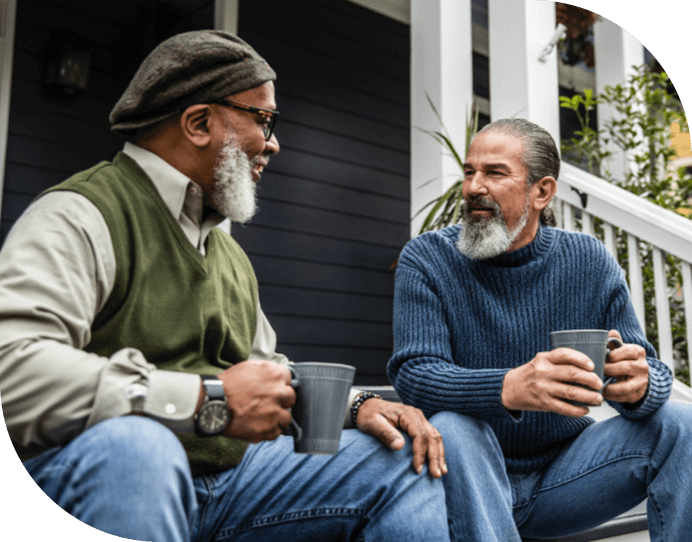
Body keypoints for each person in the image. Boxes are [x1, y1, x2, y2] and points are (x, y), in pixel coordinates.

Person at [0, 30, 453, 542]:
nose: (274, 143)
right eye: (264, 120)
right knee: (139, 448)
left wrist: (358, 406)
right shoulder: (80, 215)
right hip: (102, 477)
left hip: (229, 482)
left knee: (398, 460)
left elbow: (268, 380)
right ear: (198, 123)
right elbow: (13, 369)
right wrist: (204, 399)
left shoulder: (229, 254)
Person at [388, 117, 692, 541]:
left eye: (494, 173)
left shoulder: (587, 259)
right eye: (469, 172)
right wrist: (511, 386)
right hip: (464, 478)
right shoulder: (428, 257)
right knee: (457, 427)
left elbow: (648, 366)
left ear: (541, 192)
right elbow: (415, 374)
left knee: (682, 420)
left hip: (568, 477)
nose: (474, 187)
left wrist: (640, 385)